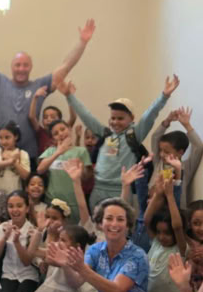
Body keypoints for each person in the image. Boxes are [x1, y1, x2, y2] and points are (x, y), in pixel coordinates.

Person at [0, 10, 96, 158]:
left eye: (25, 65)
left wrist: (82, 42)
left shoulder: (40, 85)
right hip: (1, 155)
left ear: (31, 67)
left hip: (29, 156)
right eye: (18, 65)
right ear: (12, 67)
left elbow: (66, 66)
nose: (21, 69)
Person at [64, 75, 179, 207]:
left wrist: (164, 96)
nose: (115, 122)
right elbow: (87, 116)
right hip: (98, 189)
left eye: (120, 118)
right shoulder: (105, 134)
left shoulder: (134, 135)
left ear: (132, 118)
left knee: (120, 219)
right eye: (113, 118)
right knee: (96, 220)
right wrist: (70, 96)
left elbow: (149, 115)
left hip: (121, 190)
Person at [7, 224, 97, 292]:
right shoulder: (56, 252)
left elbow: (74, 282)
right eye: (59, 239)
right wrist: (39, 232)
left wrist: (65, 264)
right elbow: (34, 252)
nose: (59, 242)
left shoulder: (83, 260)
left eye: (63, 240)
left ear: (77, 246)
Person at [37, 90, 94, 224]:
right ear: (53, 138)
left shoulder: (81, 151)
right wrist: (58, 152)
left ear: (69, 129)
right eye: (56, 133)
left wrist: (81, 169)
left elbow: (87, 177)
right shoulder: (50, 151)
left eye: (63, 129)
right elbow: (40, 170)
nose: (61, 134)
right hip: (52, 202)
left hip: (74, 202)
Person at [0, 190, 39, 292]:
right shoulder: (3, 227)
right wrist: (5, 237)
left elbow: (26, 261)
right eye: (11, 206)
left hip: (28, 275)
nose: (15, 210)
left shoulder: (32, 231)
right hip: (9, 274)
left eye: (19, 206)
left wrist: (16, 242)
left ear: (27, 208)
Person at [149, 106, 203, 208]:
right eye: (160, 150)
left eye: (166, 151)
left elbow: (198, 147)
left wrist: (187, 125)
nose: (161, 154)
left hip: (175, 211)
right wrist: (167, 121)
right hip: (152, 208)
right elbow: (155, 137)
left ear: (180, 152)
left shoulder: (186, 167)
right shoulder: (158, 162)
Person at [29, 85, 77, 155]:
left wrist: (69, 97)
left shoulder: (63, 130)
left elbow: (73, 117)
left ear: (59, 120)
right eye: (45, 117)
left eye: (53, 117)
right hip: (44, 160)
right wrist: (35, 97)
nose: (49, 119)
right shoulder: (41, 132)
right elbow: (32, 117)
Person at [0, 121, 30, 193]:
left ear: (16, 136)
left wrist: (15, 163)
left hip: (15, 193)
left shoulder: (22, 154)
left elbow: (26, 176)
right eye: (0, 138)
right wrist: (11, 160)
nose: (3, 141)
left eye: (7, 137)